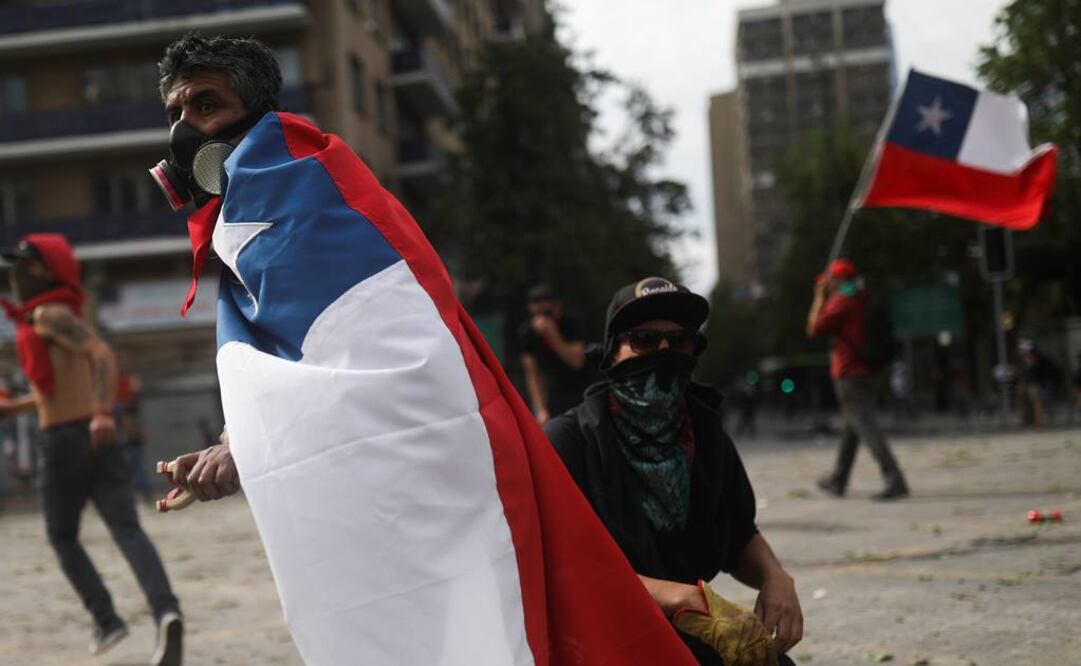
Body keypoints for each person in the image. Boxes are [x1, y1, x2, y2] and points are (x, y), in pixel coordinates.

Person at [153, 34, 697, 665]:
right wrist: (238, 441)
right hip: (398, 475)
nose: (184, 132)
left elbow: (362, 361)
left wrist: (242, 445)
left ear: (257, 110)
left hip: (433, 463)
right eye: (175, 115)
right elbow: (306, 355)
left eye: (205, 106)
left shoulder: (295, 192)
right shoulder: (266, 201)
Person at [545, 277, 803, 665]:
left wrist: (775, 577)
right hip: (598, 639)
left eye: (680, 341)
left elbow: (738, 534)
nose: (664, 352)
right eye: (645, 339)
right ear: (612, 353)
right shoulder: (570, 442)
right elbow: (567, 571)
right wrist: (687, 598)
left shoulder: (705, 432)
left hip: (687, 630)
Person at [0, 235, 182, 664]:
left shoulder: (48, 314)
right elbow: (63, 391)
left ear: (45, 270)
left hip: (65, 441)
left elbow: (102, 356)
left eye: (25, 265)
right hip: (94, 436)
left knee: (61, 536)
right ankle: (167, 612)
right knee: (127, 530)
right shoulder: (61, 313)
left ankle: (107, 620)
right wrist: (17, 407)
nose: (16, 274)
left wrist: (103, 409)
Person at [807, 259, 908, 500]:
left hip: (850, 374)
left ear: (839, 280)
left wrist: (819, 297)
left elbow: (813, 328)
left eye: (830, 281)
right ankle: (838, 479)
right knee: (852, 427)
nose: (827, 285)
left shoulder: (841, 302)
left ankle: (894, 478)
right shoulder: (862, 296)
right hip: (868, 372)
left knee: (866, 426)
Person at [519, 284, 592, 424]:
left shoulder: (572, 323)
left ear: (557, 307)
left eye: (546, 313)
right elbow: (532, 373)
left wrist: (553, 335)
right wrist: (540, 409)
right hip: (555, 396)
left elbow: (576, 361)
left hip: (584, 391)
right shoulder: (528, 333)